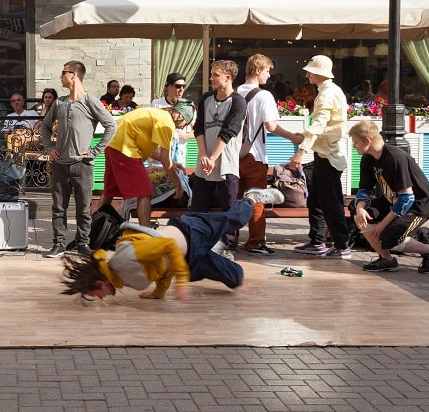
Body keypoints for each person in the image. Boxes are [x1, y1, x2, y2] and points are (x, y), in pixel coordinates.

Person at [59, 189, 283, 303]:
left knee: (235, 219)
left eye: (94, 293)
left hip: (192, 232)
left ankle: (252, 197)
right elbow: (162, 268)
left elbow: (166, 246)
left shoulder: (123, 260)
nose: (99, 298)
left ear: (100, 282)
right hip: (190, 259)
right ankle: (217, 249)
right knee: (236, 278)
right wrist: (158, 293)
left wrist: (182, 282)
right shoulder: (123, 278)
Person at [41, 61, 117, 258]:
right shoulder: (59, 103)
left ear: (73, 75)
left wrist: (95, 151)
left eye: (63, 72)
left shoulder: (90, 101)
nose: (60, 76)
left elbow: (111, 125)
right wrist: (49, 148)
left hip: (82, 165)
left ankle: (83, 244)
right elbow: (44, 127)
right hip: (60, 165)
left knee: (83, 209)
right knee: (58, 208)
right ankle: (58, 244)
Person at [348, 120, 429, 273]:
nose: (354, 146)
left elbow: (407, 198)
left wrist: (383, 224)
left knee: (388, 237)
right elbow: (364, 191)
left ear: (367, 141)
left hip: (418, 204)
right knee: (359, 214)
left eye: (356, 142)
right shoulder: (367, 159)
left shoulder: (395, 157)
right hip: (393, 200)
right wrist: (360, 209)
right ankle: (387, 259)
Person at [237, 53, 304, 255]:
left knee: (236, 199)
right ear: (257, 71)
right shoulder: (264, 95)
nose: (268, 75)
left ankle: (229, 239)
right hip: (254, 155)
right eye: (267, 70)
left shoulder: (236, 92)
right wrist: (293, 137)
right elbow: (271, 126)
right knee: (256, 200)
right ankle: (256, 243)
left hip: (235, 154)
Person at [290, 55, 352, 259]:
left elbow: (319, 125)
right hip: (325, 154)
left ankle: (342, 245)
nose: (307, 74)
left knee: (330, 201)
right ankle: (318, 241)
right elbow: (323, 128)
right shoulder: (329, 91)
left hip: (328, 156)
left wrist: (301, 150)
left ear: (319, 73)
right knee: (316, 199)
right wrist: (306, 141)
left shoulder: (326, 95)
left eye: (310, 71)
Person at [98, 104, 194, 226]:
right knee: (144, 192)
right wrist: (178, 185)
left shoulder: (158, 114)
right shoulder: (167, 124)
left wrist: (173, 163)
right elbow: (165, 160)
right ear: (181, 116)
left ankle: (95, 227)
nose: (182, 128)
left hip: (113, 142)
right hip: (125, 147)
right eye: (185, 124)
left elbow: (152, 152)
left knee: (109, 190)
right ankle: (146, 233)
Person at [191, 59, 246, 261]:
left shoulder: (238, 101)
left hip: (226, 163)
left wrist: (213, 157)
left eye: (215, 75)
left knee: (228, 207)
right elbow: (198, 128)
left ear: (228, 77)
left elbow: (229, 131)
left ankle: (227, 247)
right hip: (204, 163)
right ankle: (195, 244)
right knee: (198, 207)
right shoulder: (206, 98)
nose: (211, 78)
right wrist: (204, 155)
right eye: (211, 74)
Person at [151, 72, 195, 166]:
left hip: (179, 153)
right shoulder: (157, 104)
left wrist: (184, 135)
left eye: (183, 86)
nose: (181, 89)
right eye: (178, 86)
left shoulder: (188, 106)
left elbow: (197, 131)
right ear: (169, 86)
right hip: (160, 153)